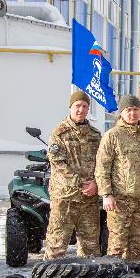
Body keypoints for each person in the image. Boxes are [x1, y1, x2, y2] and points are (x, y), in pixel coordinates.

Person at [44, 90, 102, 259]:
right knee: (57, 245)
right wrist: (80, 183)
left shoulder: (95, 135)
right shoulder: (59, 134)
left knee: (90, 248)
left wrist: (96, 183)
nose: (81, 110)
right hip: (65, 198)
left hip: (89, 199)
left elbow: (102, 163)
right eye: (77, 106)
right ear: (70, 107)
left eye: (85, 106)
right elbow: (58, 163)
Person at [95, 95, 140, 260]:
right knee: (117, 245)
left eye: (135, 110)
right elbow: (102, 167)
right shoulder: (112, 135)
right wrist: (106, 194)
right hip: (120, 200)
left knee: (137, 245)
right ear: (121, 113)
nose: (132, 113)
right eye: (128, 110)